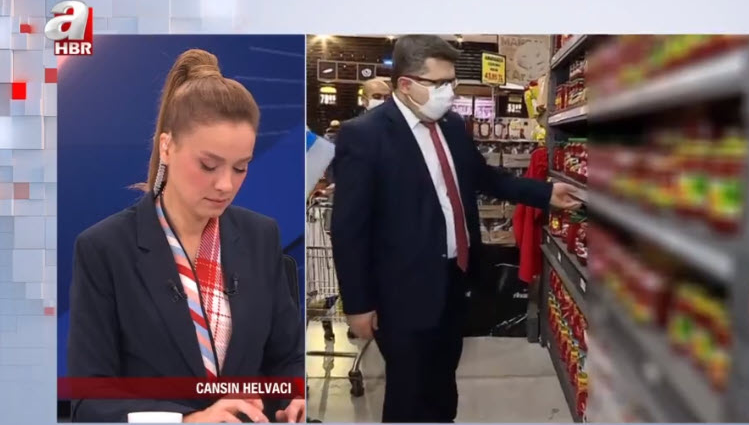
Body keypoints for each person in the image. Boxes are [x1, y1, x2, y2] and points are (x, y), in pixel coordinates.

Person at [330, 35, 583, 423]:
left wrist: (545, 193)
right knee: (408, 394)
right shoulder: (365, 135)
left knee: (443, 383)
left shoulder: (451, 125)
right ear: (406, 84)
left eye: (452, 82)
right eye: (439, 83)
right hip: (401, 291)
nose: (449, 92)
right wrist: (358, 304)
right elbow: (349, 227)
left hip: (454, 279)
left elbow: (486, 178)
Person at [67, 49, 306, 423]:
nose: (225, 185)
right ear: (167, 147)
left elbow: (287, 357)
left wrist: (295, 397)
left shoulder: (261, 236)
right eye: (208, 165)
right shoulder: (105, 249)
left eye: (240, 168)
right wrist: (186, 420)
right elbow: (88, 402)